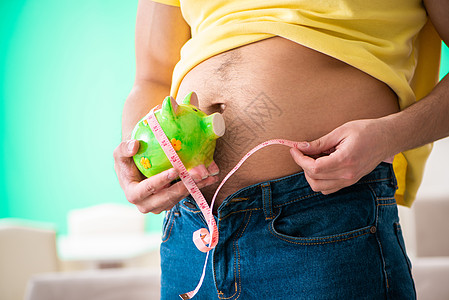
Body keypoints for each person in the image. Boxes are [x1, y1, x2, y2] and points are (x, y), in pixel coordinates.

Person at [113, 0, 449, 298]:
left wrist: (389, 135)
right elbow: (152, 77)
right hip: (192, 231)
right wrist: (138, 153)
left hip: (325, 219)